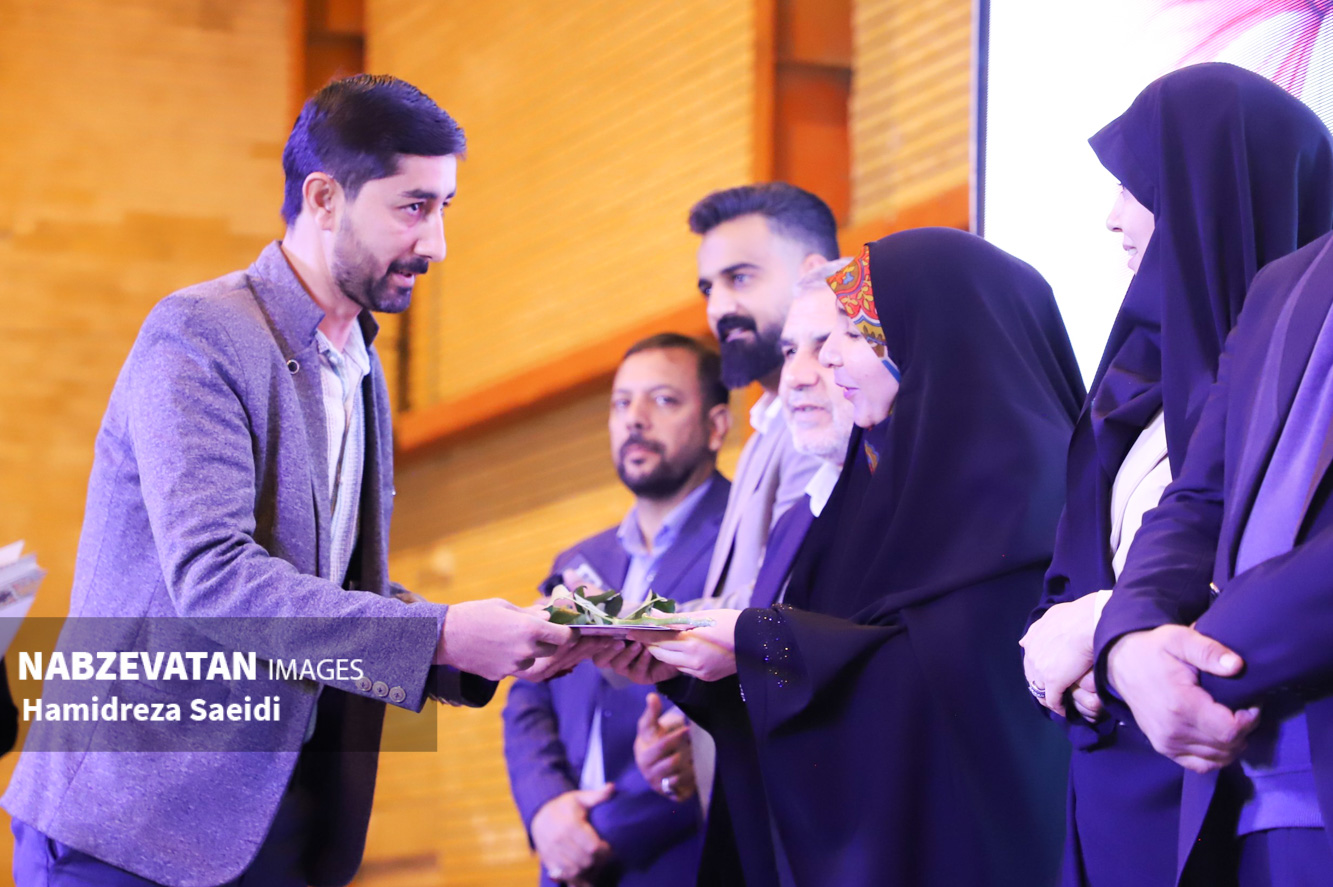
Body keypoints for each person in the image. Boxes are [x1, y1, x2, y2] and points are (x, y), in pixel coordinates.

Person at [2, 74, 574, 887]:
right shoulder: (197, 332)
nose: (437, 242)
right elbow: (214, 577)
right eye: (413, 207)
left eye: (444, 206)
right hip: (132, 829)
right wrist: (443, 633)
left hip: (281, 824)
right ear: (324, 198)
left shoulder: (359, 361)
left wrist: (493, 644)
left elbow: (335, 588)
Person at [634, 228, 1084, 886]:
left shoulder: (1029, 492)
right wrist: (707, 665)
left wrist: (760, 642)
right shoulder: (868, 491)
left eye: (853, 333)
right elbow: (842, 664)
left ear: (933, 335)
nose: (825, 361)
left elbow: (955, 687)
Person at [1020, 63, 1333, 887]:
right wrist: (1119, 639)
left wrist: (1114, 635)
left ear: (1205, 194)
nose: (1111, 216)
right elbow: (1192, 508)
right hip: (1121, 776)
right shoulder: (1140, 380)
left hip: (1245, 760)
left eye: (1135, 185)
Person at [636, 263, 857, 887]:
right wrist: (679, 672)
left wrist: (729, 639)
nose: (799, 374)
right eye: (790, 351)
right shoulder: (802, 515)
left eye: (829, 345)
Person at [502, 334, 731, 887]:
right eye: (621, 403)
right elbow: (530, 695)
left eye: (664, 399)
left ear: (717, 425)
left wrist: (598, 836)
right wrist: (546, 810)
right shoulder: (578, 562)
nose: (635, 418)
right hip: (566, 865)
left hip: (686, 862)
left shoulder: (746, 540)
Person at [689, 183, 831, 607]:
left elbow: (786, 601)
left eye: (740, 278)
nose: (717, 309)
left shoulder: (827, 421)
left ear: (812, 275)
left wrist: (631, 624)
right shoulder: (765, 431)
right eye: (708, 289)